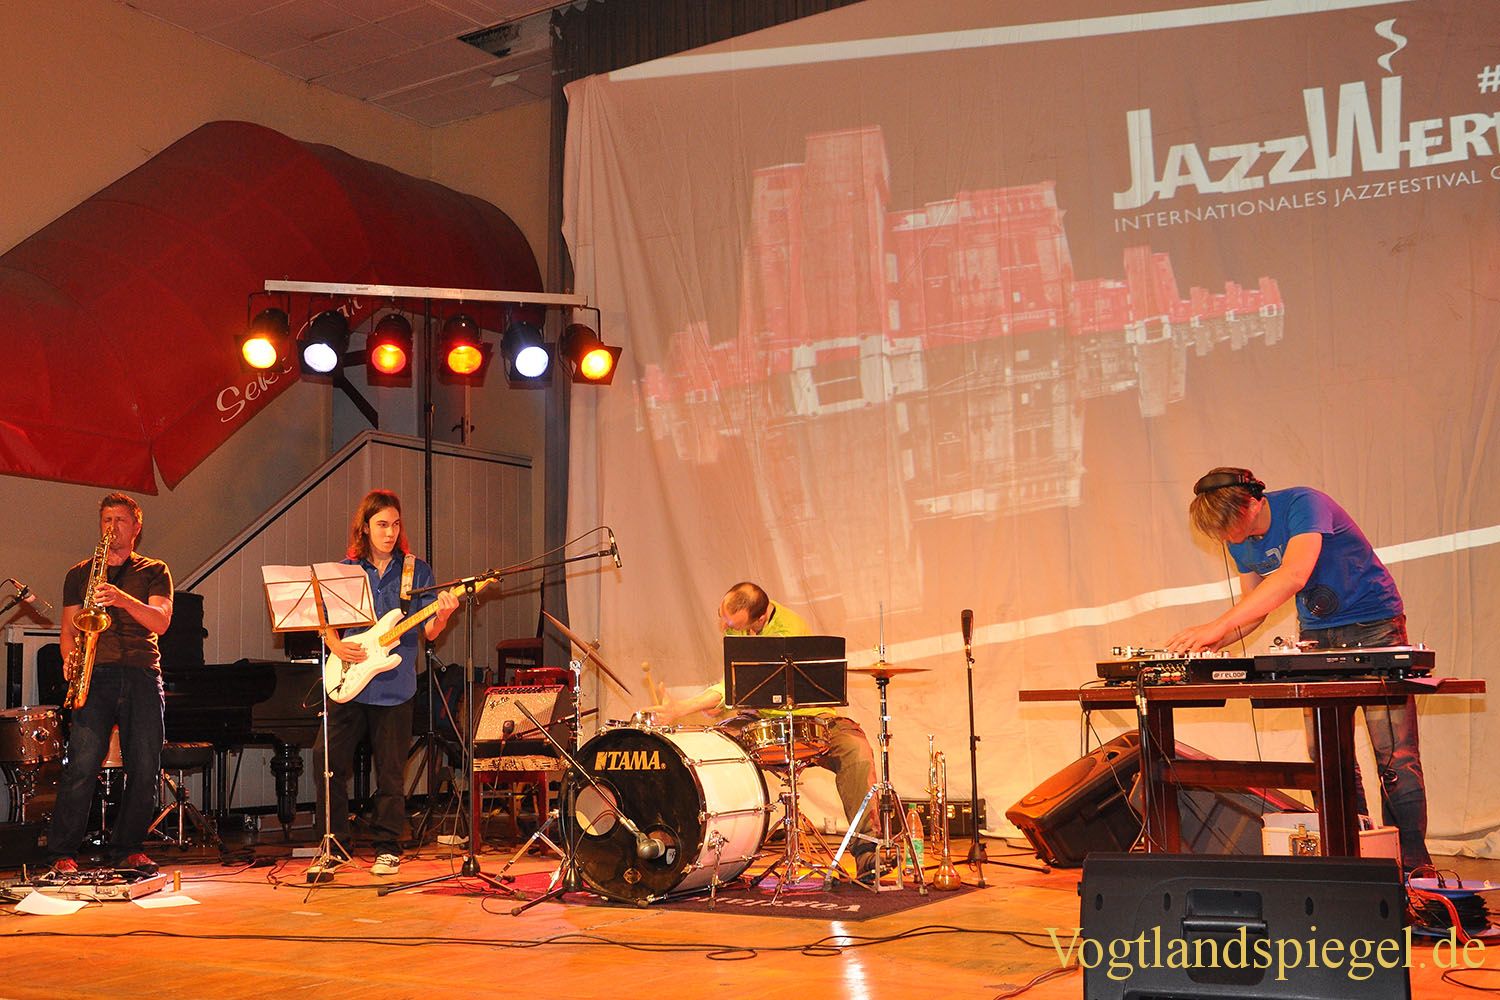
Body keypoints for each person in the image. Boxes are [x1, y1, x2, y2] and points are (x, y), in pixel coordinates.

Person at [1165, 467, 1431, 872]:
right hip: (1316, 637)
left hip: (1375, 629)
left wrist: (1217, 625)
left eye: (1228, 528)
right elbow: (1254, 611)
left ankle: (1413, 866)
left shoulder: (1304, 504)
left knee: (1394, 755)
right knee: (1327, 756)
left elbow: (1293, 575)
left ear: (1252, 503)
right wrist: (1211, 643)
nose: (1227, 539)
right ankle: (1353, 856)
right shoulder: (1240, 543)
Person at [645, 582, 879, 879]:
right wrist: (720, 702)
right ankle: (698, 849)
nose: (726, 628)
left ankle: (868, 852)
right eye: (723, 618)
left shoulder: (788, 630)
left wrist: (687, 706)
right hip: (759, 720)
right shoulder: (738, 627)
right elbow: (731, 684)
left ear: (760, 618)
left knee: (855, 750)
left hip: (809, 718)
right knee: (709, 749)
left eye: (734, 625)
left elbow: (750, 684)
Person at [309, 490, 458, 881]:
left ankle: (388, 847)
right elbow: (325, 620)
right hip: (349, 679)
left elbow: (429, 631)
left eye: (395, 525)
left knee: (391, 773)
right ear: (365, 527)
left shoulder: (416, 571)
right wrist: (335, 644)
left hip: (394, 684)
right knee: (326, 760)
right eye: (381, 525)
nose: (390, 532)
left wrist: (443, 615)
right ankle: (334, 845)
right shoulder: (345, 570)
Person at [46, 493, 173, 876]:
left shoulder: (154, 570)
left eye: (119, 520)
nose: (111, 527)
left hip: (141, 673)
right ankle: (62, 851)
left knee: (145, 766)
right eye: (106, 520)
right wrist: (71, 661)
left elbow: (160, 621)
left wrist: (122, 599)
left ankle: (128, 848)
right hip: (96, 675)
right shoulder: (79, 573)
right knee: (81, 765)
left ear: (136, 527)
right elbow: (69, 630)